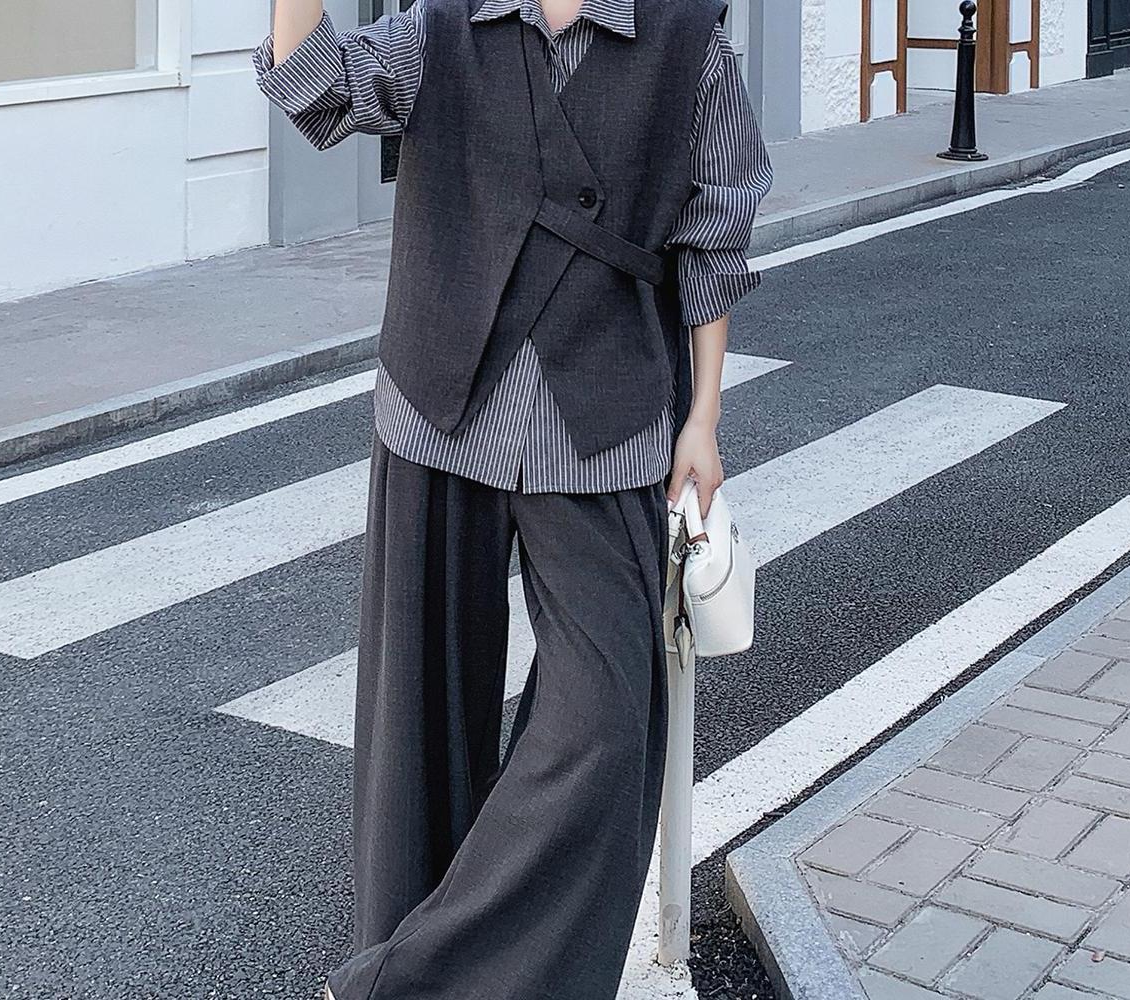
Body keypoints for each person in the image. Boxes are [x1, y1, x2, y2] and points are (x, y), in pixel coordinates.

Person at [253, 0, 771, 996]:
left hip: (606, 418)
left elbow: (716, 234)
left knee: (606, 725)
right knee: (419, 722)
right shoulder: (441, 27)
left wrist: (703, 419)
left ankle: (401, 982)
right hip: (439, 409)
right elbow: (315, 89)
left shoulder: (686, 40)